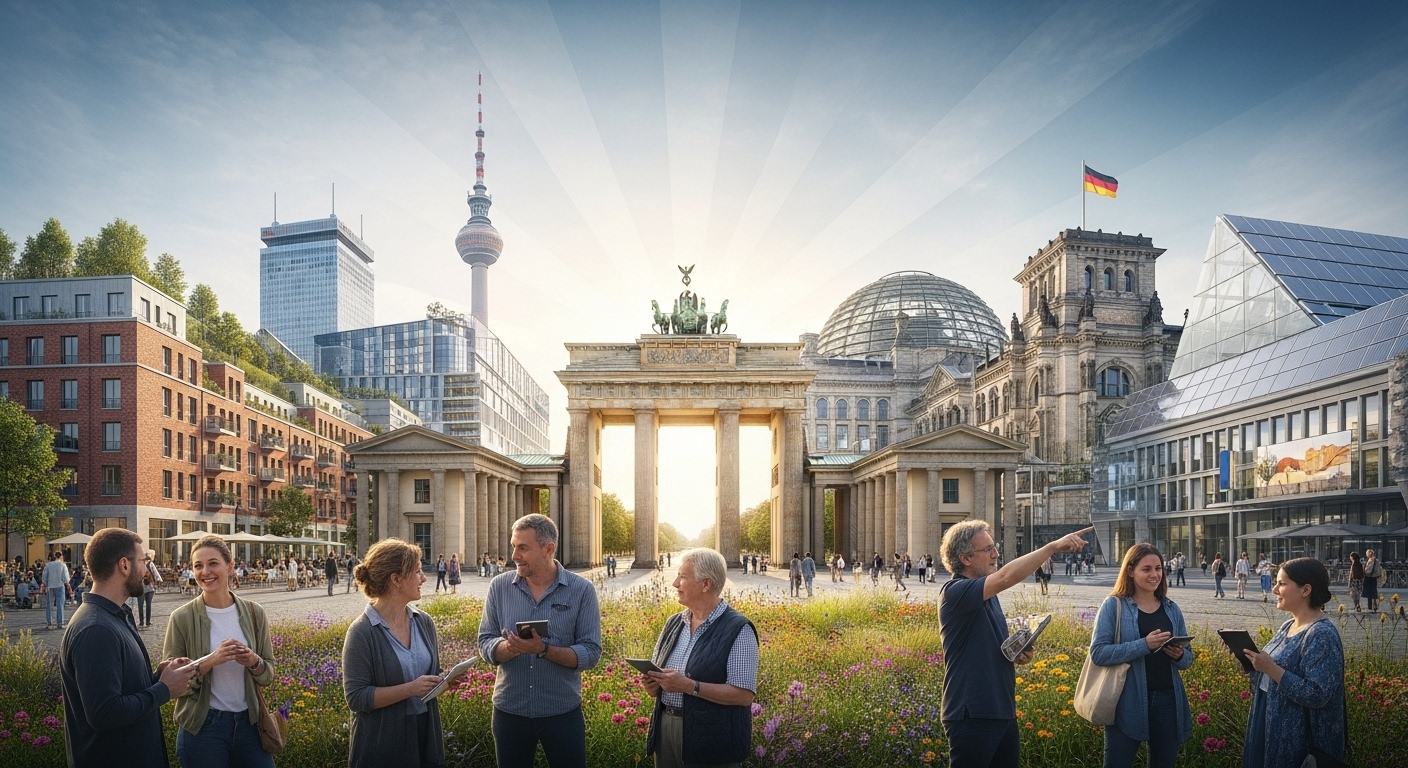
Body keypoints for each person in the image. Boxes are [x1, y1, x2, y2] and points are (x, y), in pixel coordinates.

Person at [937, 520, 1091, 768]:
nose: (996, 554)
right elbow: (1006, 576)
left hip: (1001, 710)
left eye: (994, 547)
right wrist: (1051, 547)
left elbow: (986, 647)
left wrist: (1016, 653)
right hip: (972, 712)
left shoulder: (988, 596)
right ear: (965, 558)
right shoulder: (955, 592)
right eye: (987, 549)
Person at [61, 527, 198, 767]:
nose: (146, 569)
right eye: (144, 561)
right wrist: (164, 689)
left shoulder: (115, 615)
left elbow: (121, 690)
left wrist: (157, 677)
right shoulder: (96, 629)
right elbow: (105, 712)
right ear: (124, 565)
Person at [477, 514, 602, 768]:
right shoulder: (499, 587)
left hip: (562, 713)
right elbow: (485, 642)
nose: (514, 555)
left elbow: (591, 652)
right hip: (509, 712)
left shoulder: (581, 590)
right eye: (513, 546)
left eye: (523, 548)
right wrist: (508, 648)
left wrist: (544, 650)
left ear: (548, 549)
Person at [343, 538, 469, 768]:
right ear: (396, 580)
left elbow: (429, 678)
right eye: (418, 572)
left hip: (425, 737)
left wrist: (446, 682)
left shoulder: (424, 622)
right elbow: (356, 698)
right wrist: (410, 689)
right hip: (382, 746)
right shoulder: (361, 632)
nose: (424, 578)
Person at [162, 535, 276, 768]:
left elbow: (268, 675)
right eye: (198, 565)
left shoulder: (255, 613)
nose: (205, 571)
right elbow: (170, 685)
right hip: (203, 729)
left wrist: (254, 661)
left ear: (230, 565)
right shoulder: (182, 618)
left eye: (213, 563)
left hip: (250, 725)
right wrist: (210, 660)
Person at [641, 548, 758, 767]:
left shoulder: (739, 629)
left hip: (713, 739)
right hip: (666, 731)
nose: (675, 583)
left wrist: (689, 686)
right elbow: (657, 679)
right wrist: (652, 685)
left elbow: (743, 695)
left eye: (683, 577)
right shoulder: (673, 623)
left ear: (706, 584)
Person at [1089, 543, 1194, 768]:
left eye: (1158, 568)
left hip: (1168, 700)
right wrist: (1143, 645)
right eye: (1146, 569)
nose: (1154, 574)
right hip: (1126, 699)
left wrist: (1178, 655)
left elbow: (1188, 660)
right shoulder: (1113, 605)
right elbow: (1098, 653)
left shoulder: (1171, 608)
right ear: (1130, 571)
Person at [1239, 558, 1345, 767]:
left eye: (1282, 583)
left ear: (1305, 590)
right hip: (1269, 724)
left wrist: (1272, 669)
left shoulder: (1321, 634)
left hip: (1297, 740)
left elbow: (1317, 694)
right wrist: (1253, 666)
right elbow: (1269, 678)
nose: (1275, 589)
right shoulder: (1288, 625)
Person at [42, 551, 71, 629]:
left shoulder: (48, 565)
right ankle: (60, 623)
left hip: (50, 586)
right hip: (60, 586)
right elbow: (65, 578)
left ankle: (49, 623)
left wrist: (44, 584)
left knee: (49, 605)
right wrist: (68, 587)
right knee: (60, 605)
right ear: (61, 556)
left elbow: (44, 577)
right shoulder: (62, 565)